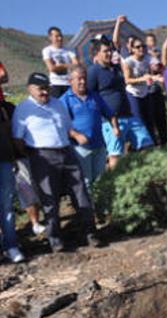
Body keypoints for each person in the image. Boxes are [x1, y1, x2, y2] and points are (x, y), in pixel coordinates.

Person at [11, 72, 100, 252]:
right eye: (40, 89)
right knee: (49, 199)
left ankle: (90, 233)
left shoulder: (58, 104)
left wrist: (76, 135)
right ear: (30, 88)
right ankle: (55, 239)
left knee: (81, 193)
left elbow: (67, 128)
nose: (44, 92)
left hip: (67, 152)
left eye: (46, 88)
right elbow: (18, 139)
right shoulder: (22, 109)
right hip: (42, 156)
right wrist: (33, 155)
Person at [88, 39, 154, 168]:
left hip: (129, 115)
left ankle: (145, 179)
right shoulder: (94, 71)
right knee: (115, 154)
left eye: (110, 50)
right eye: (105, 51)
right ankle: (114, 184)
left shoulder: (116, 68)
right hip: (111, 120)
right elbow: (90, 96)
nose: (109, 53)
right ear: (98, 53)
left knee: (146, 145)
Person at [60, 65, 118, 192]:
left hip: (99, 145)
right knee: (86, 183)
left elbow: (109, 113)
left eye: (84, 78)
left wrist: (115, 128)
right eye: (79, 79)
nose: (83, 82)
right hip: (80, 148)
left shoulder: (94, 96)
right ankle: (90, 210)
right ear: (70, 81)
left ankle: (102, 207)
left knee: (101, 180)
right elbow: (61, 125)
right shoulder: (65, 100)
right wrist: (76, 135)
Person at [122, 36, 162, 146]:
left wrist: (156, 76)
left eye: (143, 46)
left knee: (150, 121)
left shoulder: (147, 59)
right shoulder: (128, 61)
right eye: (137, 47)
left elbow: (154, 70)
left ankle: (152, 146)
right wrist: (142, 79)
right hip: (133, 94)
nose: (141, 49)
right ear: (132, 49)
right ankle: (139, 147)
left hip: (145, 93)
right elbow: (127, 80)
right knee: (138, 122)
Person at [0, 94, 24, 262]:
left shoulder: (3, 109)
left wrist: (15, 157)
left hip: (5, 161)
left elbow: (9, 132)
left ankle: (11, 245)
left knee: (7, 206)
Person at [42, 26, 79, 98]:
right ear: (50, 37)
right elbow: (51, 68)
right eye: (56, 36)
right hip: (55, 84)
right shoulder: (47, 50)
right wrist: (67, 65)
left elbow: (76, 65)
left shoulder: (69, 50)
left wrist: (59, 66)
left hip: (69, 83)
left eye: (60, 36)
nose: (60, 38)